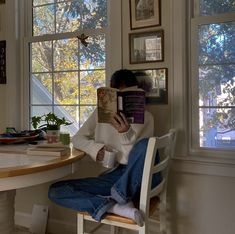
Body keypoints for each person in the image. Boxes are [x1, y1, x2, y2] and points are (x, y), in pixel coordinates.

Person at [48, 69, 160, 226]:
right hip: (113, 177)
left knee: (145, 145)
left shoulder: (147, 118)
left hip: (138, 178)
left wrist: (125, 133)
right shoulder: (99, 115)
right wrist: (96, 149)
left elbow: (134, 159)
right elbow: (78, 138)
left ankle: (121, 195)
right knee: (56, 190)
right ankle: (116, 206)